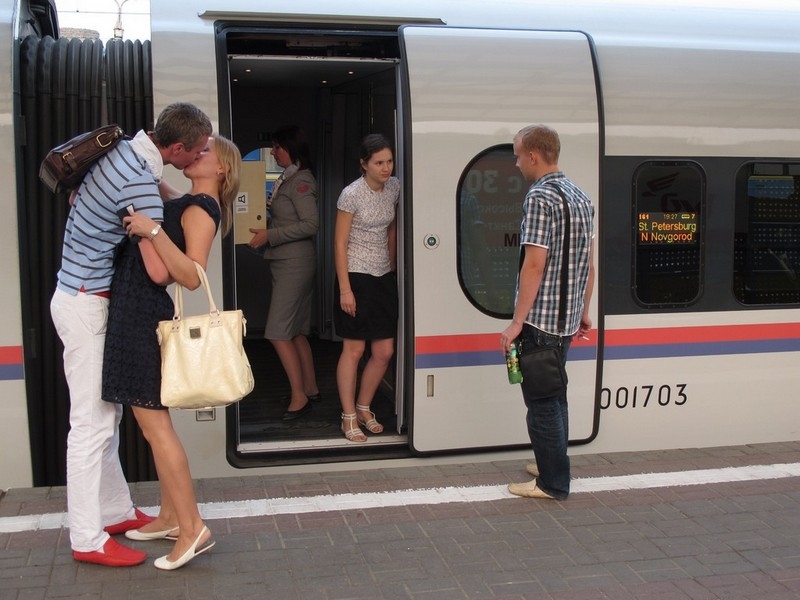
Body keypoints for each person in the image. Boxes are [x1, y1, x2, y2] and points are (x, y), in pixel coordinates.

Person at [49, 102, 212, 567]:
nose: (200, 155)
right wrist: (158, 230)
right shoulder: (140, 180)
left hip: (74, 293)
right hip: (86, 302)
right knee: (92, 425)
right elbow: (161, 271)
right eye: (197, 149)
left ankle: (115, 510)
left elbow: (79, 194)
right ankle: (86, 537)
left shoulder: (119, 149)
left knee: (108, 417)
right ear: (176, 148)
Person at [102, 135, 241, 570]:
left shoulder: (203, 209)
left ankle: (192, 526)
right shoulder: (189, 198)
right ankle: (167, 516)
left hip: (145, 314)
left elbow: (191, 276)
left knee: (155, 428)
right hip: (135, 308)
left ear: (221, 169)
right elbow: (153, 185)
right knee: (152, 426)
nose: (197, 151)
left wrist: (153, 229)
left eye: (206, 150)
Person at [500, 125, 595, 501]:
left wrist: (517, 321)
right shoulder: (581, 196)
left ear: (534, 156)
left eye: (518, 154)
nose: (516, 161)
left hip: (540, 322)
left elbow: (534, 265)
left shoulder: (540, 197)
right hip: (567, 320)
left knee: (541, 402)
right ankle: (550, 461)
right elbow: (589, 263)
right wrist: (585, 310)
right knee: (557, 395)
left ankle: (552, 483)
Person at [247, 126, 320, 420]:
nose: (274, 152)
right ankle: (311, 387)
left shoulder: (301, 181)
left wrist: (270, 235)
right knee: (297, 331)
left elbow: (310, 224)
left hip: (294, 263)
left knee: (277, 332)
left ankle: (299, 397)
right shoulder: (288, 177)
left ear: (291, 148)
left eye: (277, 147)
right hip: (288, 262)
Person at [333, 134, 400, 442]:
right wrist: (345, 289)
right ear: (364, 164)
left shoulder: (395, 188)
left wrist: (395, 266)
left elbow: (392, 228)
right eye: (378, 163)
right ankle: (348, 415)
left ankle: (364, 406)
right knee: (355, 349)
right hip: (356, 275)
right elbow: (340, 242)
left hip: (384, 274)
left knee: (384, 351)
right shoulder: (351, 194)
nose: (386, 168)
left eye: (388, 161)